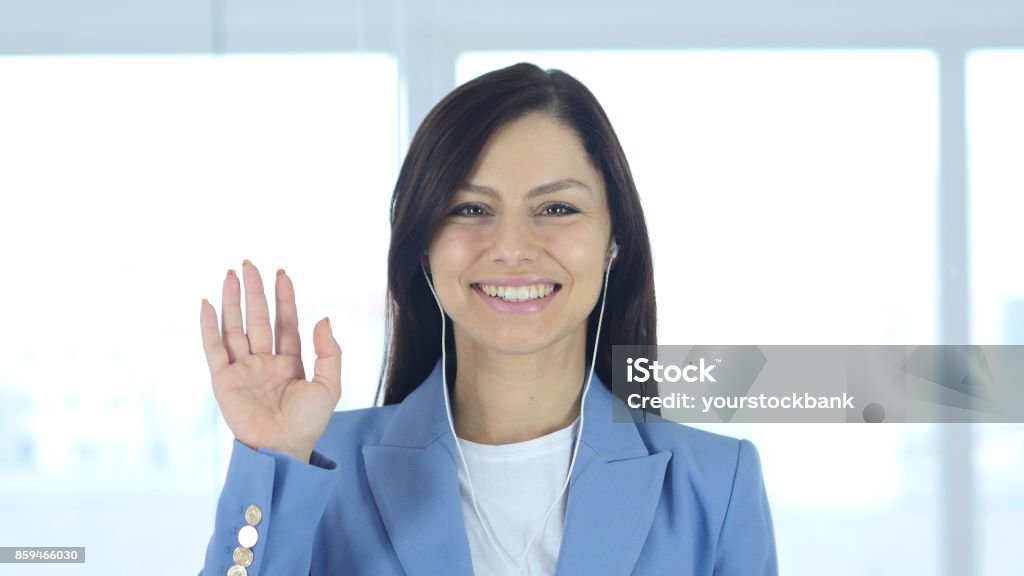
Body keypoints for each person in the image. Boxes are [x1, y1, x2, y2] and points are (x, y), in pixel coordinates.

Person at [198, 62, 777, 576]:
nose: (512, 247)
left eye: (557, 208)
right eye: (470, 208)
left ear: (613, 240)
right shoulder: (315, 465)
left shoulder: (716, 484)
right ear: (423, 243)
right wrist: (272, 465)